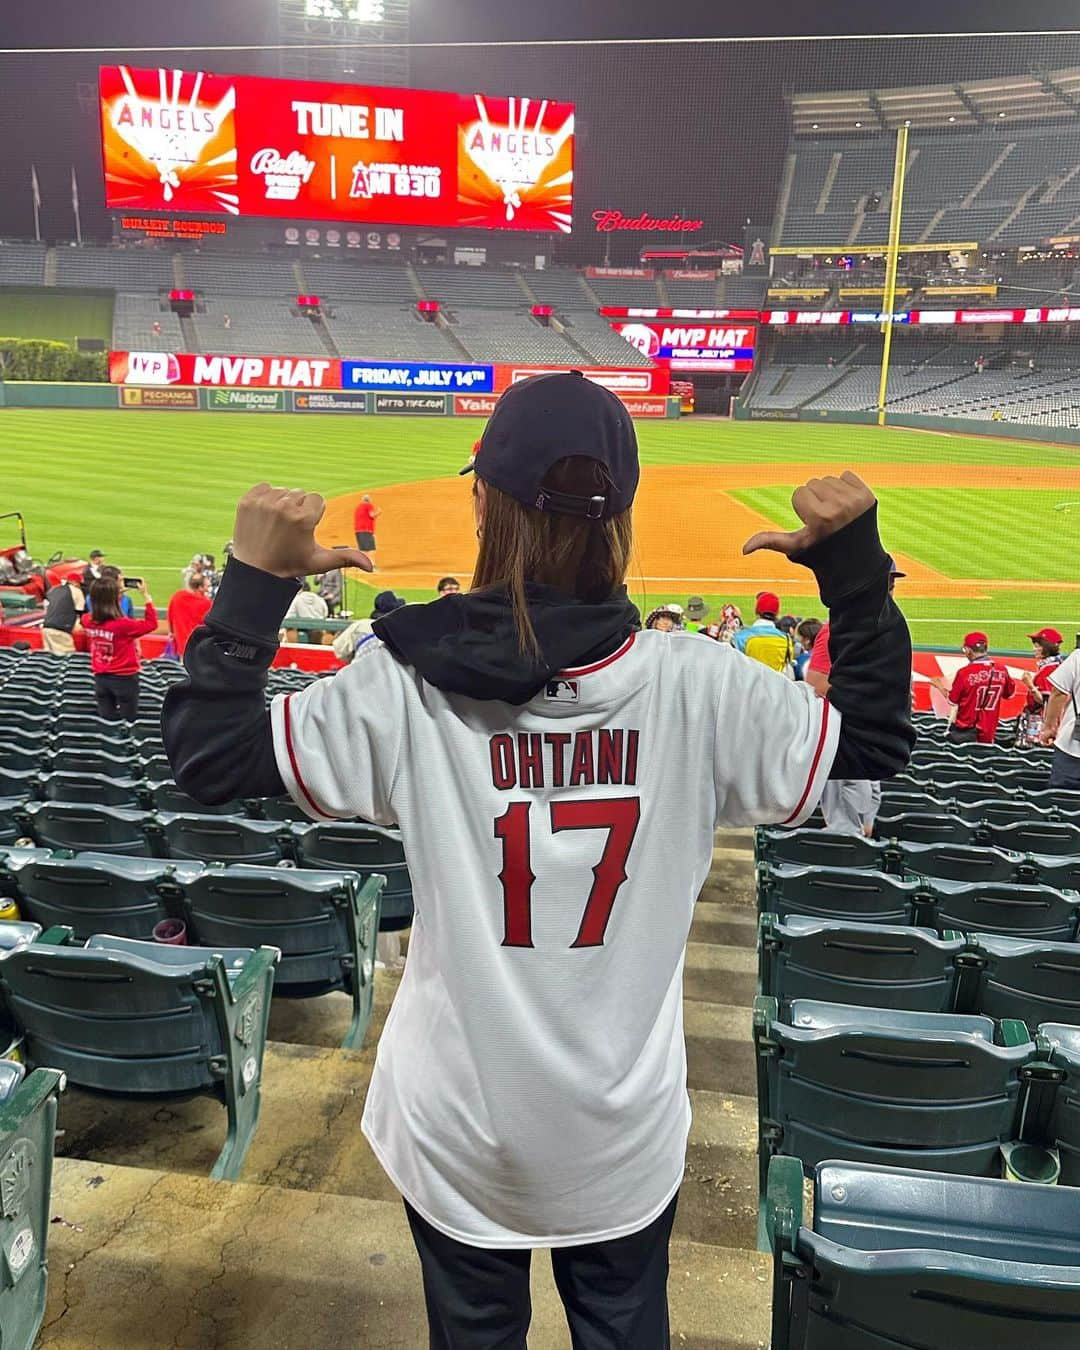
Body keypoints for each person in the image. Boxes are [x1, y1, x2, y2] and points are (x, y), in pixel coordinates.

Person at [162, 373, 912, 1348]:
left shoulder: (401, 680)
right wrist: (854, 574)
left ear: (482, 503)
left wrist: (256, 586)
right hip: (620, 1135)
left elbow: (210, 758)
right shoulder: (700, 685)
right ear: (625, 521)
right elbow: (872, 744)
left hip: (458, 1128)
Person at [807, 559, 905, 834]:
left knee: (866, 817)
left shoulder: (886, 631)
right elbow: (816, 683)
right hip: (845, 736)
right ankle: (846, 865)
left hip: (873, 737)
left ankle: (858, 850)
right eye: (883, 587)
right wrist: (861, 704)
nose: (888, 594)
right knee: (843, 824)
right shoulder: (837, 630)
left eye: (891, 587)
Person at [81, 576, 157, 722]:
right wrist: (146, 596)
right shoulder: (123, 625)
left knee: (107, 722)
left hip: (100, 678)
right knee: (129, 722)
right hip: (124, 679)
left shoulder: (87, 620)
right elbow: (151, 623)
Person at [930, 632, 1016, 745]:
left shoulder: (964, 673)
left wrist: (939, 686)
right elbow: (1009, 694)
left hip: (965, 733)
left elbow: (952, 700)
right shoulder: (1002, 670)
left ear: (969, 650)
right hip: (988, 733)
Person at [1039, 644, 1080, 786]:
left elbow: (1058, 693)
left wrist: (1049, 727)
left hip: (1072, 750)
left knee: (1062, 801)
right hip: (1071, 750)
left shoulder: (1078, 657)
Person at [1019, 626, 1064, 747]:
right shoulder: (1058, 664)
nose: (1034, 649)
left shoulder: (1049, 670)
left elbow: (1046, 702)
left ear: (1046, 647)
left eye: (1037, 646)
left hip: (1042, 725)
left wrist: (1030, 685)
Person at [331, 590, 407, 663]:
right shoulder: (400, 630)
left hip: (358, 672)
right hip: (388, 674)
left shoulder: (360, 625)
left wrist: (354, 659)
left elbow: (339, 650)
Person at [733, 591, 794, 676]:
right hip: (775, 686)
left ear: (756, 610)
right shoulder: (786, 639)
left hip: (750, 687)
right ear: (777, 613)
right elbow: (788, 663)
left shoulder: (740, 637)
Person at [167, 574, 212, 658]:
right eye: (206, 587)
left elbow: (170, 617)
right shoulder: (206, 603)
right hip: (197, 649)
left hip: (180, 647)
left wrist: (172, 633)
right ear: (200, 587)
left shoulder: (177, 596)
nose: (208, 589)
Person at [41, 572, 85, 656]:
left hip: (46, 627)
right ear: (74, 582)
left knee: (49, 658)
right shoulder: (76, 591)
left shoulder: (54, 589)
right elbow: (80, 611)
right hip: (62, 629)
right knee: (67, 657)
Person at [282, 579, 329, 644]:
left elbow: (289, 617)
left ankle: (292, 650)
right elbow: (325, 614)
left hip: (300, 629)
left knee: (289, 628)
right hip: (318, 630)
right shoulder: (320, 599)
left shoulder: (297, 599)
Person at [354, 494, 381, 567]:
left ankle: (362, 565)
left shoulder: (358, 507)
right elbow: (371, 515)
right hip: (366, 530)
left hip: (358, 531)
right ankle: (372, 565)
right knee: (371, 549)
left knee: (362, 549)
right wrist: (378, 513)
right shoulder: (368, 505)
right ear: (369, 500)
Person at [794, 617, 823, 682]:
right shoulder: (828, 655)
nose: (800, 640)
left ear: (807, 640)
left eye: (801, 637)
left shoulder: (803, 659)